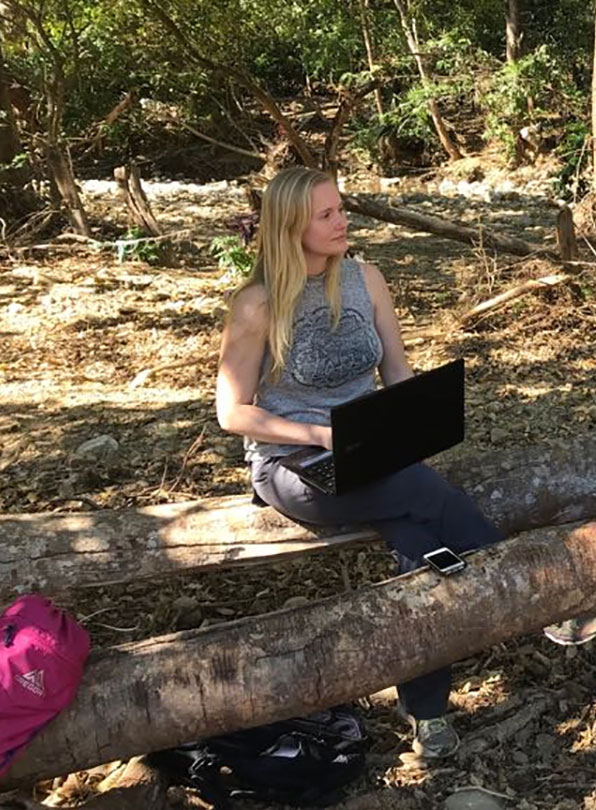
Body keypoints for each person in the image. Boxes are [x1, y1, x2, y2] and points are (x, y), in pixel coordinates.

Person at [214, 166, 502, 759]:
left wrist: (421, 417)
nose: (342, 221)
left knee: (418, 542)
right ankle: (510, 575)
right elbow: (232, 412)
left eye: (340, 208)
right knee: (424, 495)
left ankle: (427, 711)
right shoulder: (257, 304)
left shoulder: (365, 277)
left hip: (374, 450)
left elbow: (395, 371)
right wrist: (315, 434)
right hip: (292, 463)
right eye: (326, 215)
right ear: (291, 226)